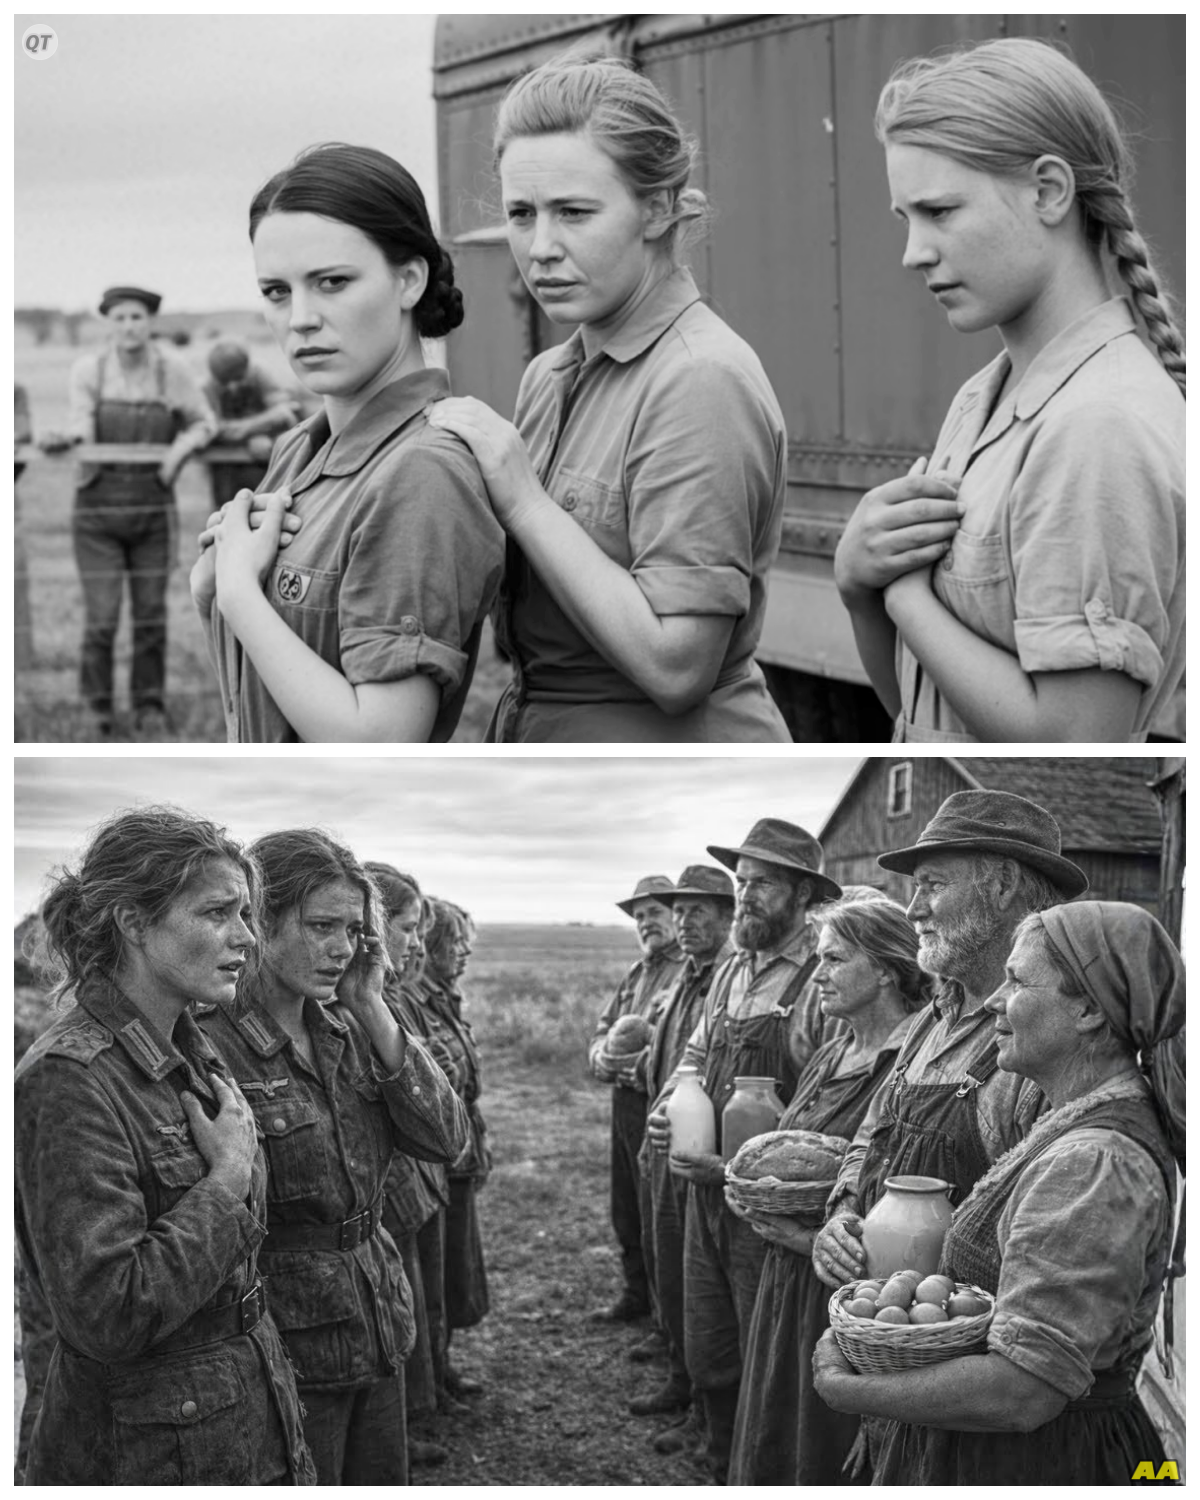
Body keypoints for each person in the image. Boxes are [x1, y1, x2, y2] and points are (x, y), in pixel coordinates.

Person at [427, 55, 792, 742]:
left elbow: (677, 669)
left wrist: (525, 499)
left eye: (573, 212)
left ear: (656, 208)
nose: (539, 248)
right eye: (520, 214)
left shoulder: (700, 380)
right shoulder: (549, 374)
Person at [834, 38, 1185, 743]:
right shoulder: (982, 399)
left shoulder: (1097, 429)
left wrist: (900, 594)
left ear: (1049, 191)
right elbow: (915, 707)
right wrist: (858, 589)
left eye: (941, 211)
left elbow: (1074, 745)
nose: (914, 253)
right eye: (907, 219)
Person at [814, 901, 1185, 1487]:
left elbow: (1023, 1392)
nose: (992, 1003)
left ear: (1088, 1008)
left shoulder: (1093, 1163)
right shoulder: (1069, 1121)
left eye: (1015, 982)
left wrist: (848, 1388)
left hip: (1045, 1465)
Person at [14, 807, 314, 1485]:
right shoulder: (69, 1081)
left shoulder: (188, 1044)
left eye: (246, 913)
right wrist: (225, 1179)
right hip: (146, 1457)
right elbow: (108, 1313)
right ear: (134, 923)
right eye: (217, 913)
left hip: (239, 1417)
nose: (246, 937)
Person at [192, 143, 504, 742]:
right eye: (277, 292)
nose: (300, 318)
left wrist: (239, 595)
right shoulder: (294, 451)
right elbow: (263, 706)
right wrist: (209, 591)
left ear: (409, 279)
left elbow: (384, 739)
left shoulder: (422, 471)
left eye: (331, 282)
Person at [199, 829, 469, 1485]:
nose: (342, 948)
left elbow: (445, 1140)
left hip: (378, 1313)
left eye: (353, 929)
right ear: (259, 921)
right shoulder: (211, 1042)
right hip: (288, 1345)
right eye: (322, 925)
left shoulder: (348, 1026)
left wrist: (373, 1006)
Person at [645, 818, 842, 1480]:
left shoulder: (821, 982)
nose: (748, 894)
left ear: (803, 895)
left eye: (763, 883)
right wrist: (670, 1105)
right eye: (743, 881)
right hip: (706, 1182)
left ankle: (750, 1457)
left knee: (762, 1328)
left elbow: (825, 1111)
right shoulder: (734, 970)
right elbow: (697, 1056)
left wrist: (747, 1167)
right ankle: (712, 1432)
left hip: (771, 1202)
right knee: (707, 1321)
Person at [728, 898, 926, 1484]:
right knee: (774, 1424)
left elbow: (900, 1216)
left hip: (846, 1302)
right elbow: (790, 1157)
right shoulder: (832, 1052)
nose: (818, 975)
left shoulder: (908, 1068)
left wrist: (802, 1236)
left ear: (887, 968)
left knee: (819, 1447)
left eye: (835, 959)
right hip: (786, 1282)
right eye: (818, 959)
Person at [40, 286, 217, 737]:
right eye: (119, 318)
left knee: (151, 614)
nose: (128, 326)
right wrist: (65, 438)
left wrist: (178, 452)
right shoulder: (90, 370)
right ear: (108, 324)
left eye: (136, 317)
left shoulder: (172, 370)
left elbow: (204, 422)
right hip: (97, 512)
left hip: (153, 510)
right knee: (101, 618)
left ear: (149, 321)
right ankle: (96, 708)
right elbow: (81, 424)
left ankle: (149, 707)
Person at [630, 865, 734, 1438]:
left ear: (728, 916)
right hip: (665, 1138)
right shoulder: (686, 978)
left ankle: (702, 1403)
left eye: (699, 910)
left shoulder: (726, 979)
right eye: (679, 911)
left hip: (700, 1149)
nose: (684, 921)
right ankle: (679, 1375)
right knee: (666, 1261)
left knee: (699, 1285)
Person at [365, 861, 451, 1467]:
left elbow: (445, 1129)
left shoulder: (369, 1006)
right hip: (383, 1205)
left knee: (416, 1313)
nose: (416, 942)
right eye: (407, 926)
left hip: (402, 1197)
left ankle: (419, 1408)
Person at [587, 874, 686, 1323]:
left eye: (655, 913)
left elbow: (679, 1048)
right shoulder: (637, 971)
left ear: (675, 915)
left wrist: (628, 1064)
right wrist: (600, 1057)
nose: (646, 923)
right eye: (639, 916)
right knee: (625, 1204)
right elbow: (606, 1028)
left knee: (658, 1211)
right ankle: (636, 1295)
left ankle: (666, 1320)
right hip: (625, 1103)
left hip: (659, 1101)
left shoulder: (689, 970)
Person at [416, 898, 492, 1399]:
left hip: (459, 1154)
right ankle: (432, 1376)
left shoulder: (444, 995)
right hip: (438, 1160)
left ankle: (440, 1369)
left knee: (451, 1269)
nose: (463, 952)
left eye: (468, 943)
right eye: (455, 942)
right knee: (436, 1273)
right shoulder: (413, 1000)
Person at [201, 339, 301, 507]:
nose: (232, 387)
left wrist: (267, 437)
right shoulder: (207, 388)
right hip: (225, 469)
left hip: (265, 465)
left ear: (247, 368)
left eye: (238, 379)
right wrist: (256, 431)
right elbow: (213, 429)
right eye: (225, 382)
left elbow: (286, 414)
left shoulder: (261, 374)